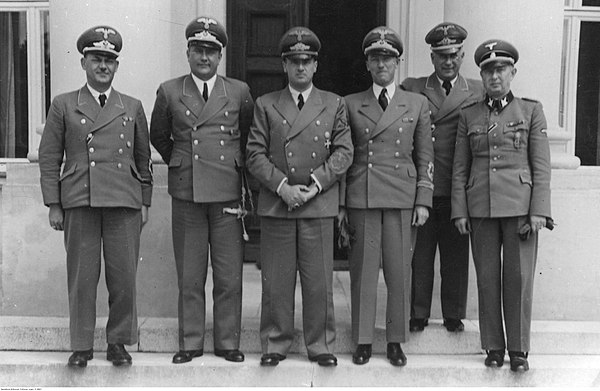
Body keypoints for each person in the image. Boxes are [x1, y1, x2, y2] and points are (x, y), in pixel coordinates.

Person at [39, 25, 153, 368]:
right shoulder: (63, 104)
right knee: (82, 278)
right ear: (84, 62)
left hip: (123, 201)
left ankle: (117, 341)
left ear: (116, 66)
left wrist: (145, 201)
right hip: (80, 199)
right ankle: (81, 345)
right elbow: (49, 157)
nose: (102, 66)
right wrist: (54, 204)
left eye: (109, 60)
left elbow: (143, 159)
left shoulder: (131, 105)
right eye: (96, 59)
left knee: (123, 278)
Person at [246, 26, 353, 367]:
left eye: (307, 61)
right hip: (279, 203)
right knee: (277, 280)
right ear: (284, 65)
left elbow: (344, 151)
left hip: (317, 202)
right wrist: (282, 187)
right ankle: (275, 343)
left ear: (316, 65)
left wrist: (316, 184)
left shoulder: (334, 104)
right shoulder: (266, 104)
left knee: (319, 281)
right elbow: (254, 154)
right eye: (294, 61)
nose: (301, 68)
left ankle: (320, 344)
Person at [149, 17, 254, 364]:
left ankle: (227, 342)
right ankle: (190, 342)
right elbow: (159, 136)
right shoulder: (169, 91)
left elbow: (247, 135)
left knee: (228, 275)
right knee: (191, 275)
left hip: (225, 192)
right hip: (188, 193)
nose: (204, 57)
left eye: (211, 51)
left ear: (220, 55)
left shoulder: (238, 91)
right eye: (198, 49)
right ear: (188, 52)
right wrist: (181, 161)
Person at [451, 39, 552, 372]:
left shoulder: (530, 111)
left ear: (512, 73)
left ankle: (519, 350)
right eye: (488, 70)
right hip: (480, 207)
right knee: (487, 279)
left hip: (521, 209)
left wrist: (539, 209)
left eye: (501, 70)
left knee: (519, 279)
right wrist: (460, 210)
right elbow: (460, 167)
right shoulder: (470, 115)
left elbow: (541, 166)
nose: (495, 77)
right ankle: (493, 347)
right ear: (481, 74)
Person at [342, 26, 434, 366]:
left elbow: (425, 156)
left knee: (399, 272)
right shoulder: (350, 104)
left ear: (398, 62)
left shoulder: (417, 103)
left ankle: (395, 341)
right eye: (376, 58)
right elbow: (343, 155)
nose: (382, 64)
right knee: (363, 271)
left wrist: (423, 199)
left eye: (389, 58)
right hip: (363, 194)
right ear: (367, 64)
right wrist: (341, 204)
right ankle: (363, 339)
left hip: (401, 196)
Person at [402, 22, 484, 333]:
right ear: (432, 57)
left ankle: (453, 315)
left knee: (455, 255)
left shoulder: (476, 90)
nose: (448, 62)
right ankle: (418, 313)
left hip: (457, 186)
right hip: (423, 186)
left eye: (453, 55)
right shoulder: (413, 87)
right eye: (441, 56)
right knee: (420, 255)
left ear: (462, 55)